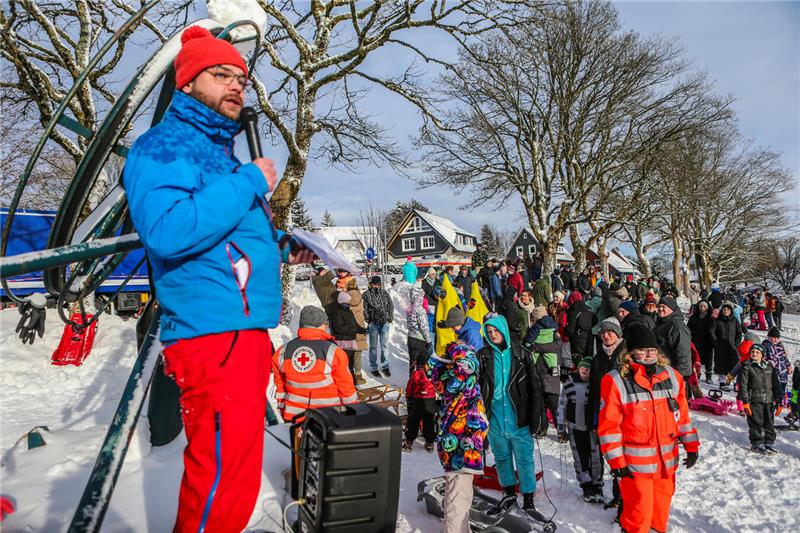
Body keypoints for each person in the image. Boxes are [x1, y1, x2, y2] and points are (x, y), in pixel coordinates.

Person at [122, 27, 317, 532]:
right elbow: (168, 230)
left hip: (239, 331)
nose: (236, 86)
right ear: (187, 83)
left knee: (236, 479)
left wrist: (284, 247)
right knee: (220, 481)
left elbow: (227, 231)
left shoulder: (219, 156)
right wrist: (249, 181)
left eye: (242, 79)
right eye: (221, 74)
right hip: (211, 333)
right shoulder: (163, 147)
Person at [598, 324, 699, 533]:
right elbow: (609, 426)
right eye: (642, 350)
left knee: (660, 512)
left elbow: (682, 416)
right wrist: (616, 462)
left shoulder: (672, 377)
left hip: (666, 463)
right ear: (631, 353)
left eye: (652, 350)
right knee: (639, 513)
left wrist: (691, 446)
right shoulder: (616, 381)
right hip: (635, 467)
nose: (649, 354)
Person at [477, 316, 544, 518]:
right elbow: (478, 387)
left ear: (503, 330)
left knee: (524, 460)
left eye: (495, 330)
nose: (493, 335)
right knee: (502, 458)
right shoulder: (483, 356)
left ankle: (528, 498)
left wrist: (537, 418)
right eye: (489, 332)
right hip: (495, 418)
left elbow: (535, 389)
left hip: (519, 419)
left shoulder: (522, 355)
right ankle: (508, 494)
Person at [427, 342, 489, 533]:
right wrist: (459, 350)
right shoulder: (462, 382)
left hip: (459, 447)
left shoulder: (455, 384)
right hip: (461, 449)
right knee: (458, 499)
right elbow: (468, 367)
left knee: (460, 497)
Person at [272, 306, 358, 422]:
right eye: (325, 324)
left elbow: (280, 386)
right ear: (321, 325)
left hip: (295, 418)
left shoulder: (283, 351)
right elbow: (346, 387)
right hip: (329, 418)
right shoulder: (333, 352)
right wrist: (353, 411)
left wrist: (283, 410)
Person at [558, 357, 604, 503]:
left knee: (595, 457)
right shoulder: (569, 384)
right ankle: (586, 485)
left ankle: (597, 485)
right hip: (575, 428)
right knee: (580, 457)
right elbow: (561, 406)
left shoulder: (597, 385)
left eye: (588, 368)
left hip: (593, 429)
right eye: (582, 367)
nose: (585, 369)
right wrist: (561, 426)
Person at [522, 306, 563, 437]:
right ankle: (542, 429)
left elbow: (557, 346)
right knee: (540, 403)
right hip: (537, 371)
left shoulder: (553, 331)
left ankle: (561, 431)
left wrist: (537, 347)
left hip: (550, 373)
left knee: (553, 403)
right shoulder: (535, 330)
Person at [738, 344, 781, 454]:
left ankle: (768, 443)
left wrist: (779, 401)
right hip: (754, 400)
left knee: (769, 423)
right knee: (756, 423)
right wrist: (745, 402)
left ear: (762, 355)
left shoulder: (769, 367)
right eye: (753, 351)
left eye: (757, 352)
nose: (754, 354)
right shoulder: (747, 367)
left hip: (769, 400)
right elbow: (743, 386)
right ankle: (757, 443)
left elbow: (776, 385)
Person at [653, 296, 693, 388]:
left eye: (664, 307)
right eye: (659, 306)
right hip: (661, 372)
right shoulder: (661, 323)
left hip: (673, 375)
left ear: (672, 309)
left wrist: (678, 377)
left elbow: (683, 355)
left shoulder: (677, 327)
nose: (660, 309)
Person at [329, 291, 366, 385]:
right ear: (341, 301)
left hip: (350, 342)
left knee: (350, 364)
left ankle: (351, 384)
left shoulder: (349, 311)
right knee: (344, 365)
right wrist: (353, 330)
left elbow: (354, 324)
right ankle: (345, 384)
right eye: (347, 302)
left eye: (349, 302)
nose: (349, 303)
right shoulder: (337, 312)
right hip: (342, 343)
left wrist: (361, 329)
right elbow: (339, 327)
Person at [362, 275, 395, 378]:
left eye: (378, 284)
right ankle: (373, 367)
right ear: (371, 284)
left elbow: (390, 305)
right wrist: (369, 320)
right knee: (373, 347)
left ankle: (385, 366)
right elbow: (364, 309)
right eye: (374, 284)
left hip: (384, 323)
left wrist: (390, 317)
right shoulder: (366, 294)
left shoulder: (384, 293)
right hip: (373, 324)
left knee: (384, 346)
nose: (376, 286)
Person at [403, 356, 436, 453]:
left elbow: (409, 387)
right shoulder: (432, 374)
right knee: (429, 421)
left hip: (417, 400)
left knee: (413, 421)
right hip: (430, 400)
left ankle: (408, 443)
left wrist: (408, 397)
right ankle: (429, 443)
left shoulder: (415, 374)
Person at [710, 301, 741, 385]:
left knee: (733, 363)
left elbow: (739, 333)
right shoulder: (717, 320)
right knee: (721, 364)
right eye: (724, 309)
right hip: (720, 347)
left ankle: (731, 380)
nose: (726, 311)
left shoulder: (735, 320)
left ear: (731, 311)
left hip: (732, 346)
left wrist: (736, 344)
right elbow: (712, 332)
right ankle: (722, 381)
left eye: (728, 310)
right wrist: (716, 342)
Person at [345, 277, 368, 384]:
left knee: (348, 353)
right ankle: (358, 376)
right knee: (358, 353)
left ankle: (348, 375)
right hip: (360, 327)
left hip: (349, 328)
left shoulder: (345, 297)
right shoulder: (360, 296)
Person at [687, 300, 715, 383]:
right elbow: (688, 328)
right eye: (701, 306)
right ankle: (696, 374)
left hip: (708, 342)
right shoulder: (693, 317)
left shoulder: (711, 318)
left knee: (708, 361)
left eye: (704, 306)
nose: (702, 308)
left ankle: (708, 376)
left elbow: (714, 330)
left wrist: (714, 340)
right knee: (696, 359)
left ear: (707, 308)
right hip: (695, 341)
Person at [762, 327, 791, 406]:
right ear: (768, 337)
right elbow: (763, 358)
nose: (774, 339)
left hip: (783, 371)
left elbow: (785, 357)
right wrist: (768, 364)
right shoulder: (765, 345)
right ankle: (774, 400)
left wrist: (788, 366)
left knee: (783, 385)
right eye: (773, 337)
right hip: (774, 371)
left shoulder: (780, 346)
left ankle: (781, 399)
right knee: (774, 386)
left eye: (776, 338)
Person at [565, 291, 594, 359]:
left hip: (577, 338)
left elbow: (571, 329)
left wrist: (566, 330)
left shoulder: (573, 311)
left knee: (578, 359)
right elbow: (595, 319)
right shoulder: (589, 309)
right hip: (589, 336)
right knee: (588, 359)